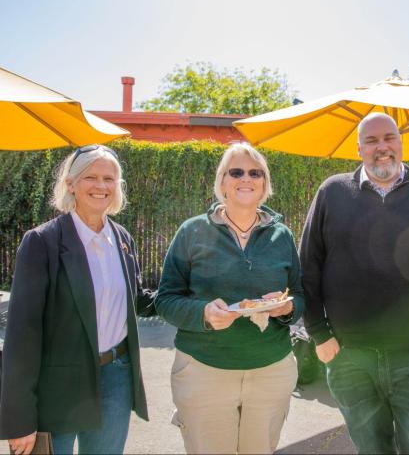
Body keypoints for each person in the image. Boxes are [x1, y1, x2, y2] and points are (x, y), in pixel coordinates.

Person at [300, 112, 409, 454]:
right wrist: (319, 335)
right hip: (351, 359)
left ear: (401, 142)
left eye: (389, 138)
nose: (382, 148)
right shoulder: (331, 192)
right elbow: (307, 267)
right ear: (359, 148)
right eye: (372, 140)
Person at [0, 145, 156, 455]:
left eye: (109, 179)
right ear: (71, 184)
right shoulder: (42, 242)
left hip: (116, 377)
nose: (101, 186)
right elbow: (21, 334)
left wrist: (196, 292)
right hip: (57, 384)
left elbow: (138, 300)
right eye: (91, 177)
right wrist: (19, 419)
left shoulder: (123, 239)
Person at [155, 142, 304, 455]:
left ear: (265, 183)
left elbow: (300, 294)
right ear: (222, 182)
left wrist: (287, 307)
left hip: (270, 370)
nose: (245, 178)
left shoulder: (282, 236)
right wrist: (204, 314)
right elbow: (166, 299)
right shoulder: (192, 231)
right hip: (204, 370)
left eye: (255, 172)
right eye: (235, 172)